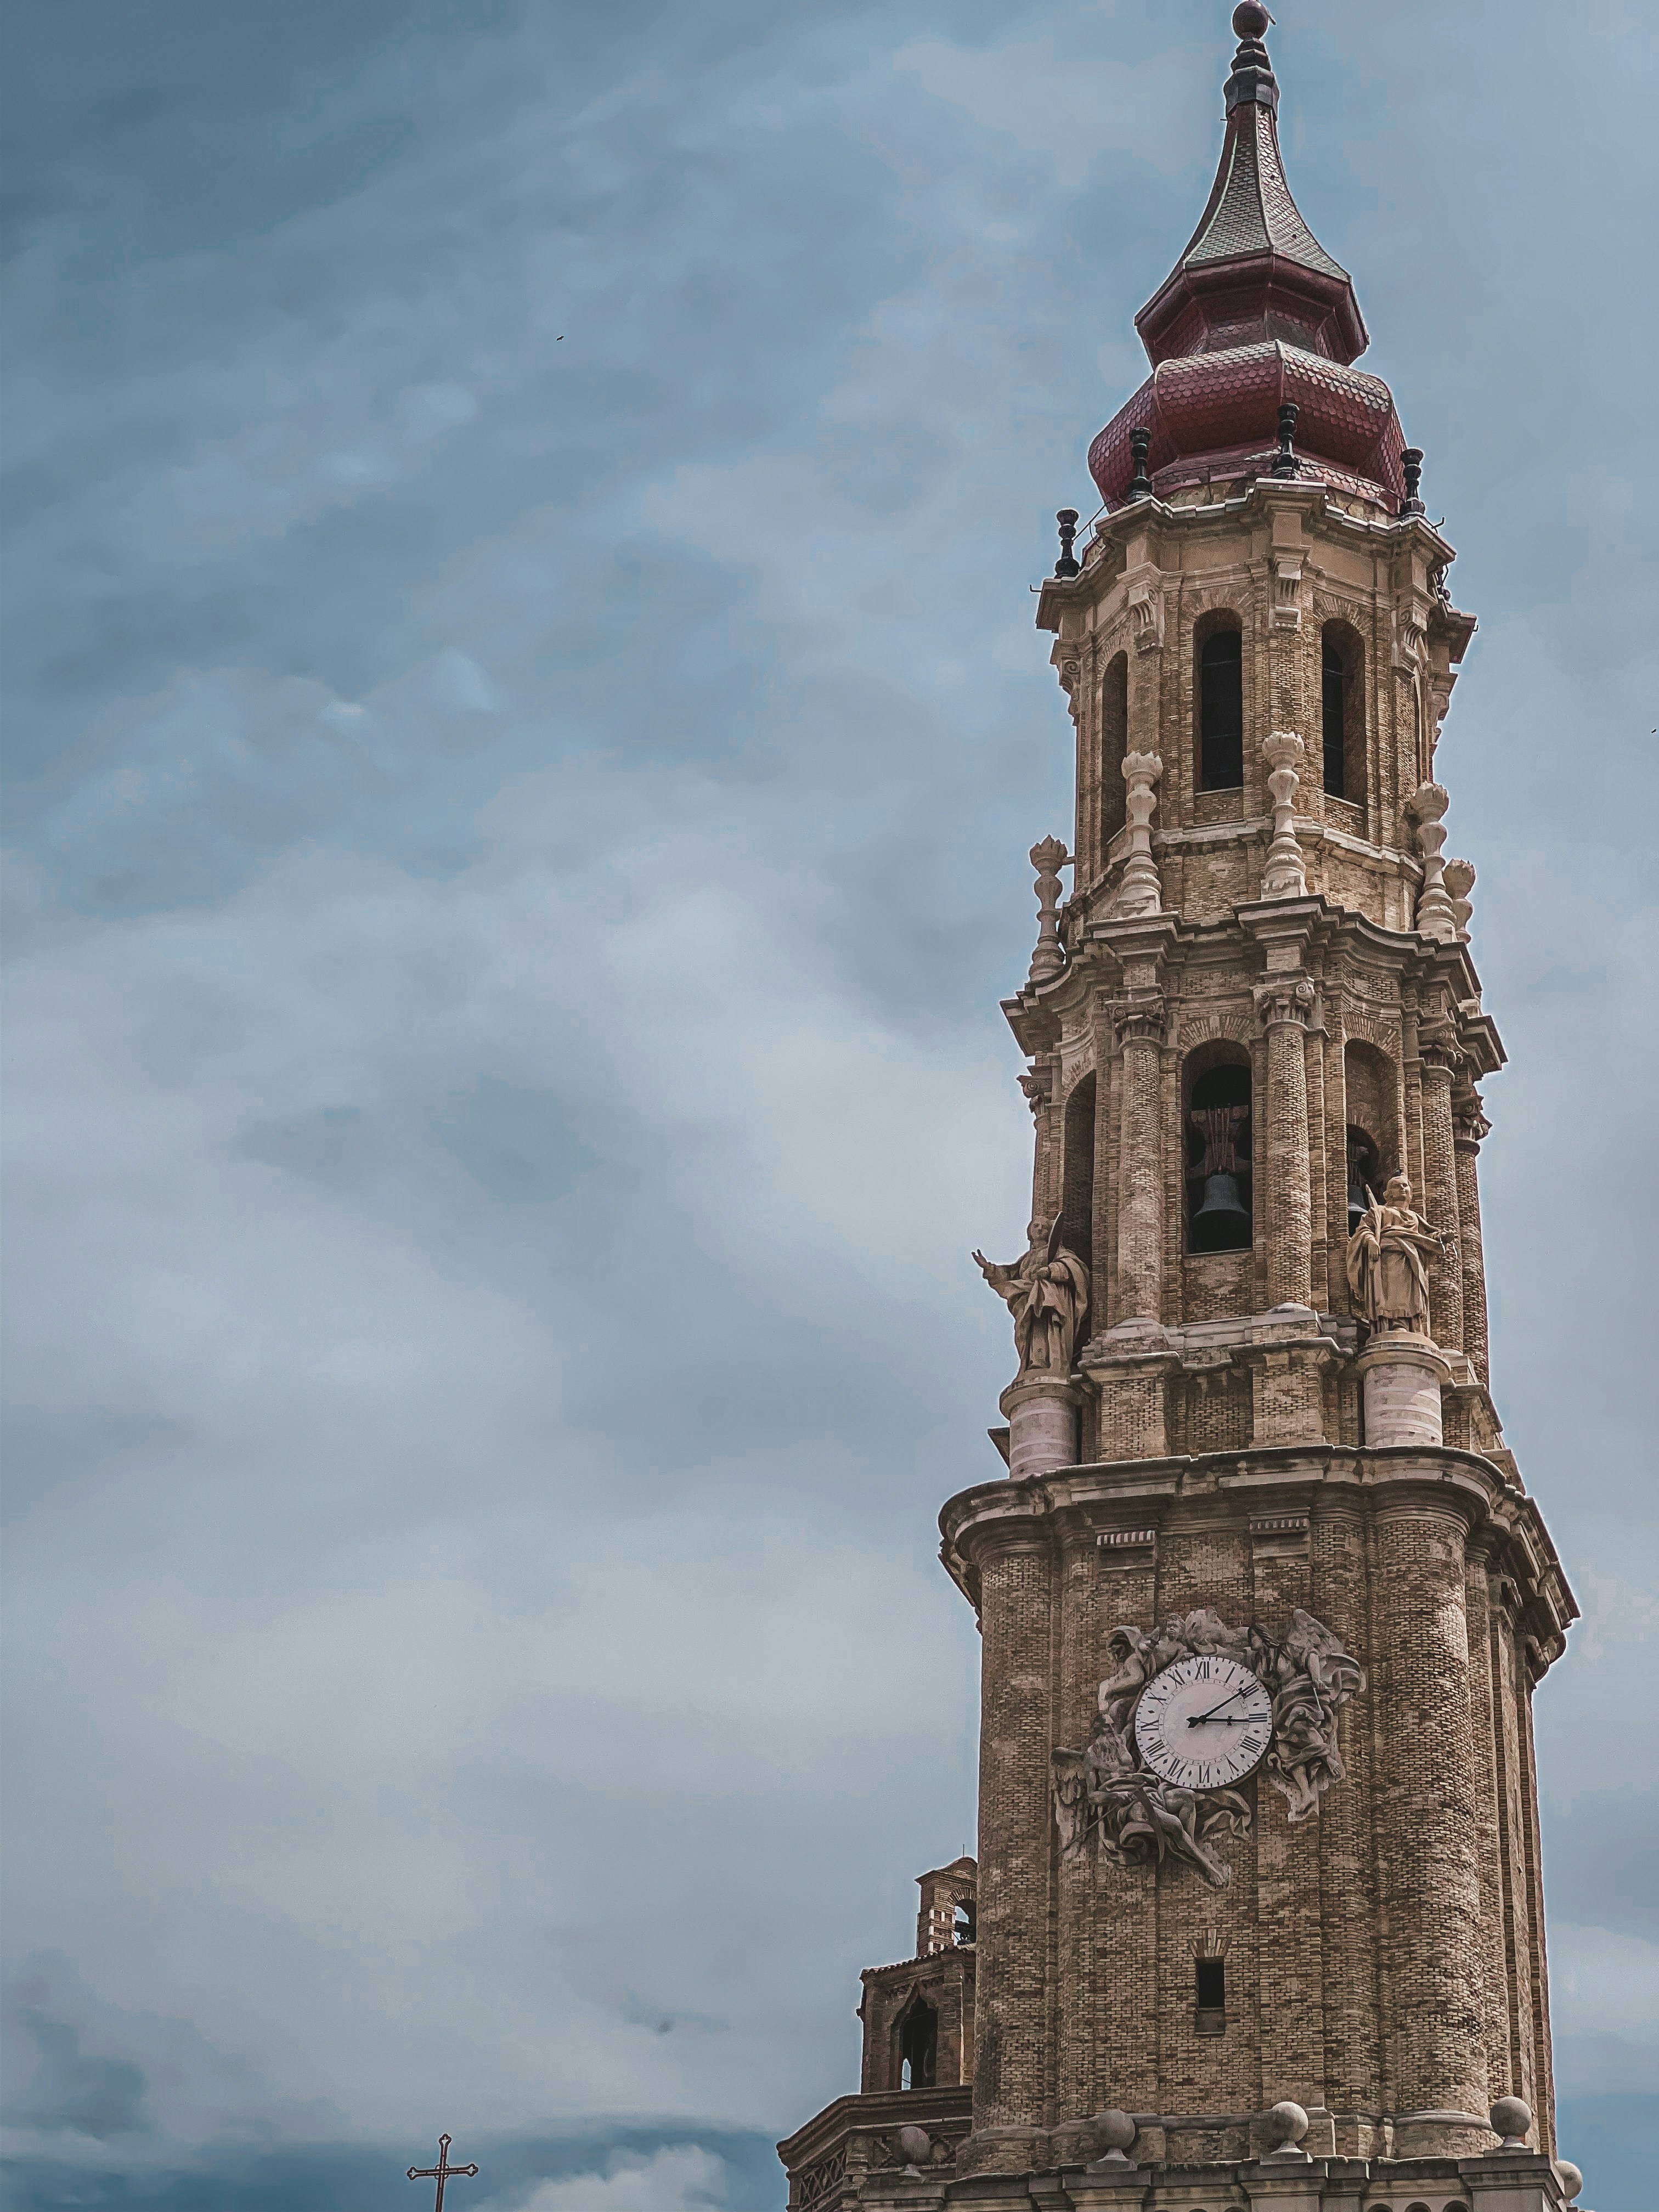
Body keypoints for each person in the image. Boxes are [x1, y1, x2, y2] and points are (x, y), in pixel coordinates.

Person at [973, 1216, 1090, 1376]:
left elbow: (1073, 1268)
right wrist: (989, 1268)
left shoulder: (1058, 1251)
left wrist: (1051, 1271)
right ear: (1029, 1232)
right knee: (1029, 1330)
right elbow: (1010, 1274)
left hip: (1048, 1298)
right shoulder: (1026, 1258)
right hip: (1027, 1301)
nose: (1040, 1229)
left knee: (1048, 1326)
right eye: (1036, 1226)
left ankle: (1051, 1362)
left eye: (1045, 1227)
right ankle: (1033, 1362)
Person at [1344, 1171, 1446, 1335]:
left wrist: (1440, 1237)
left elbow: (1424, 1238)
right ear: (1387, 1194)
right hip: (1387, 1259)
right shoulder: (1380, 1212)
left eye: (1405, 1186)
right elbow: (1364, 1229)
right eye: (1396, 1186)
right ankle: (1390, 1325)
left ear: (1411, 1192)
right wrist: (1371, 1242)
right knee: (1390, 1296)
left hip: (1410, 1261)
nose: (1402, 1189)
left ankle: (1409, 1327)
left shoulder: (1415, 1217)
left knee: (1409, 1297)